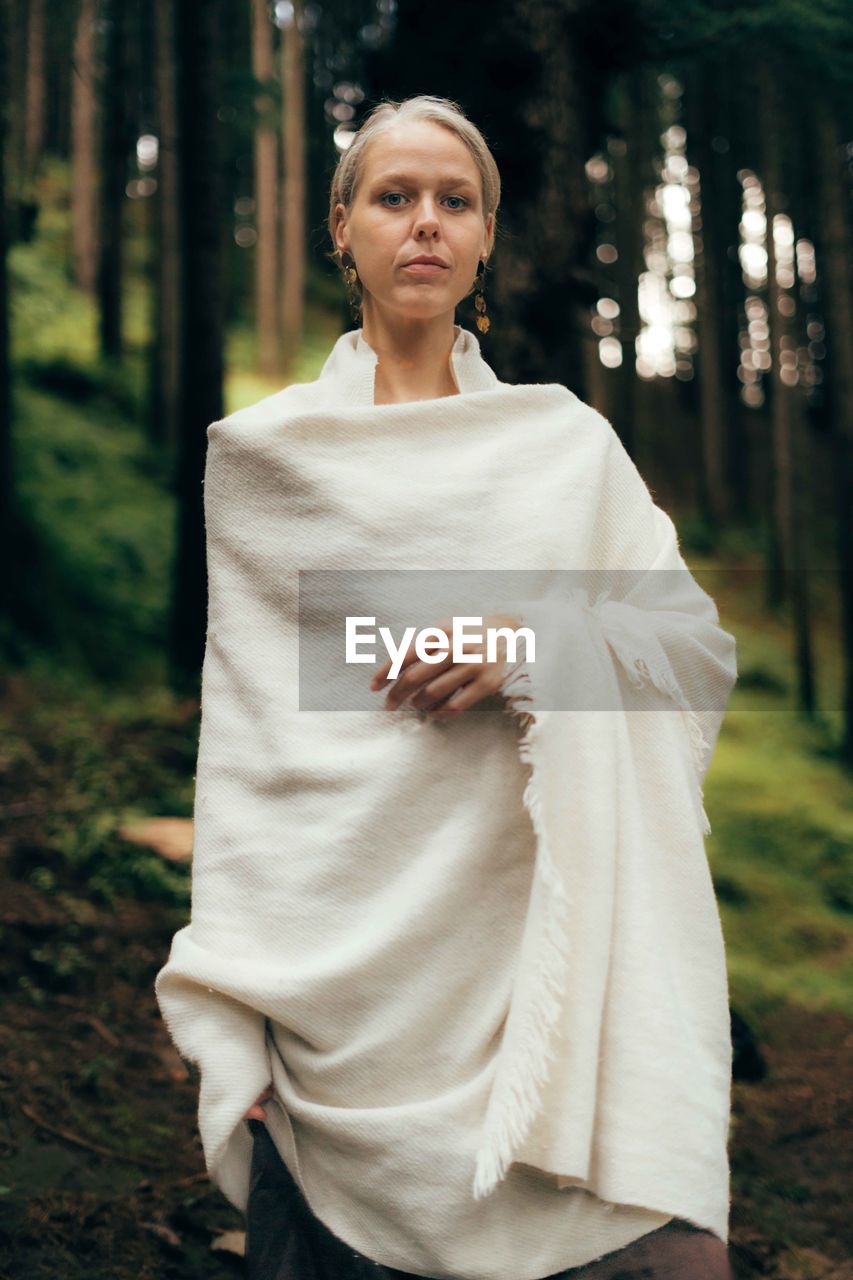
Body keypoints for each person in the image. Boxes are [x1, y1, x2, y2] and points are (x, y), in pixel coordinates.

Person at [155, 94, 737, 1280]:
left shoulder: (565, 448)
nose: (424, 223)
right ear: (342, 229)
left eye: (453, 202)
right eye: (394, 197)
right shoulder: (269, 463)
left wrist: (533, 642)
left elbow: (690, 653)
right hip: (347, 1020)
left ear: (482, 241)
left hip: (545, 984)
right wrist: (243, 1023)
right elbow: (260, 755)